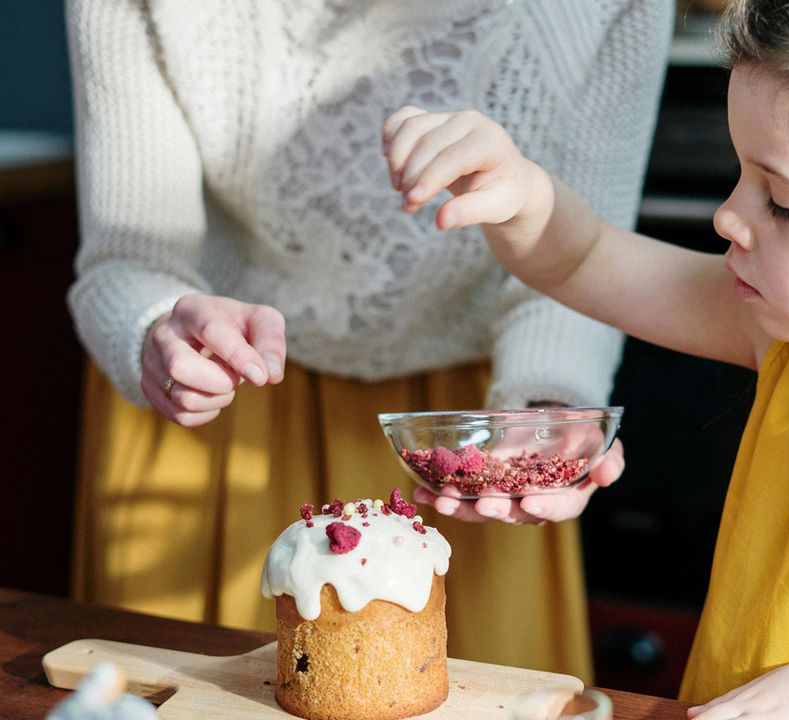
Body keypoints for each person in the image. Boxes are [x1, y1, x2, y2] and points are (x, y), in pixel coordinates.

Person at [65, 0, 673, 680]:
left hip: (470, 433)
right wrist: (155, 329)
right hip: (217, 405)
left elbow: (583, 260)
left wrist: (544, 415)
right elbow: (124, 258)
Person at [382, 0, 789, 714]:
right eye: (740, 173)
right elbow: (586, 258)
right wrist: (521, 195)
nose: (728, 215)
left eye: (782, 202)